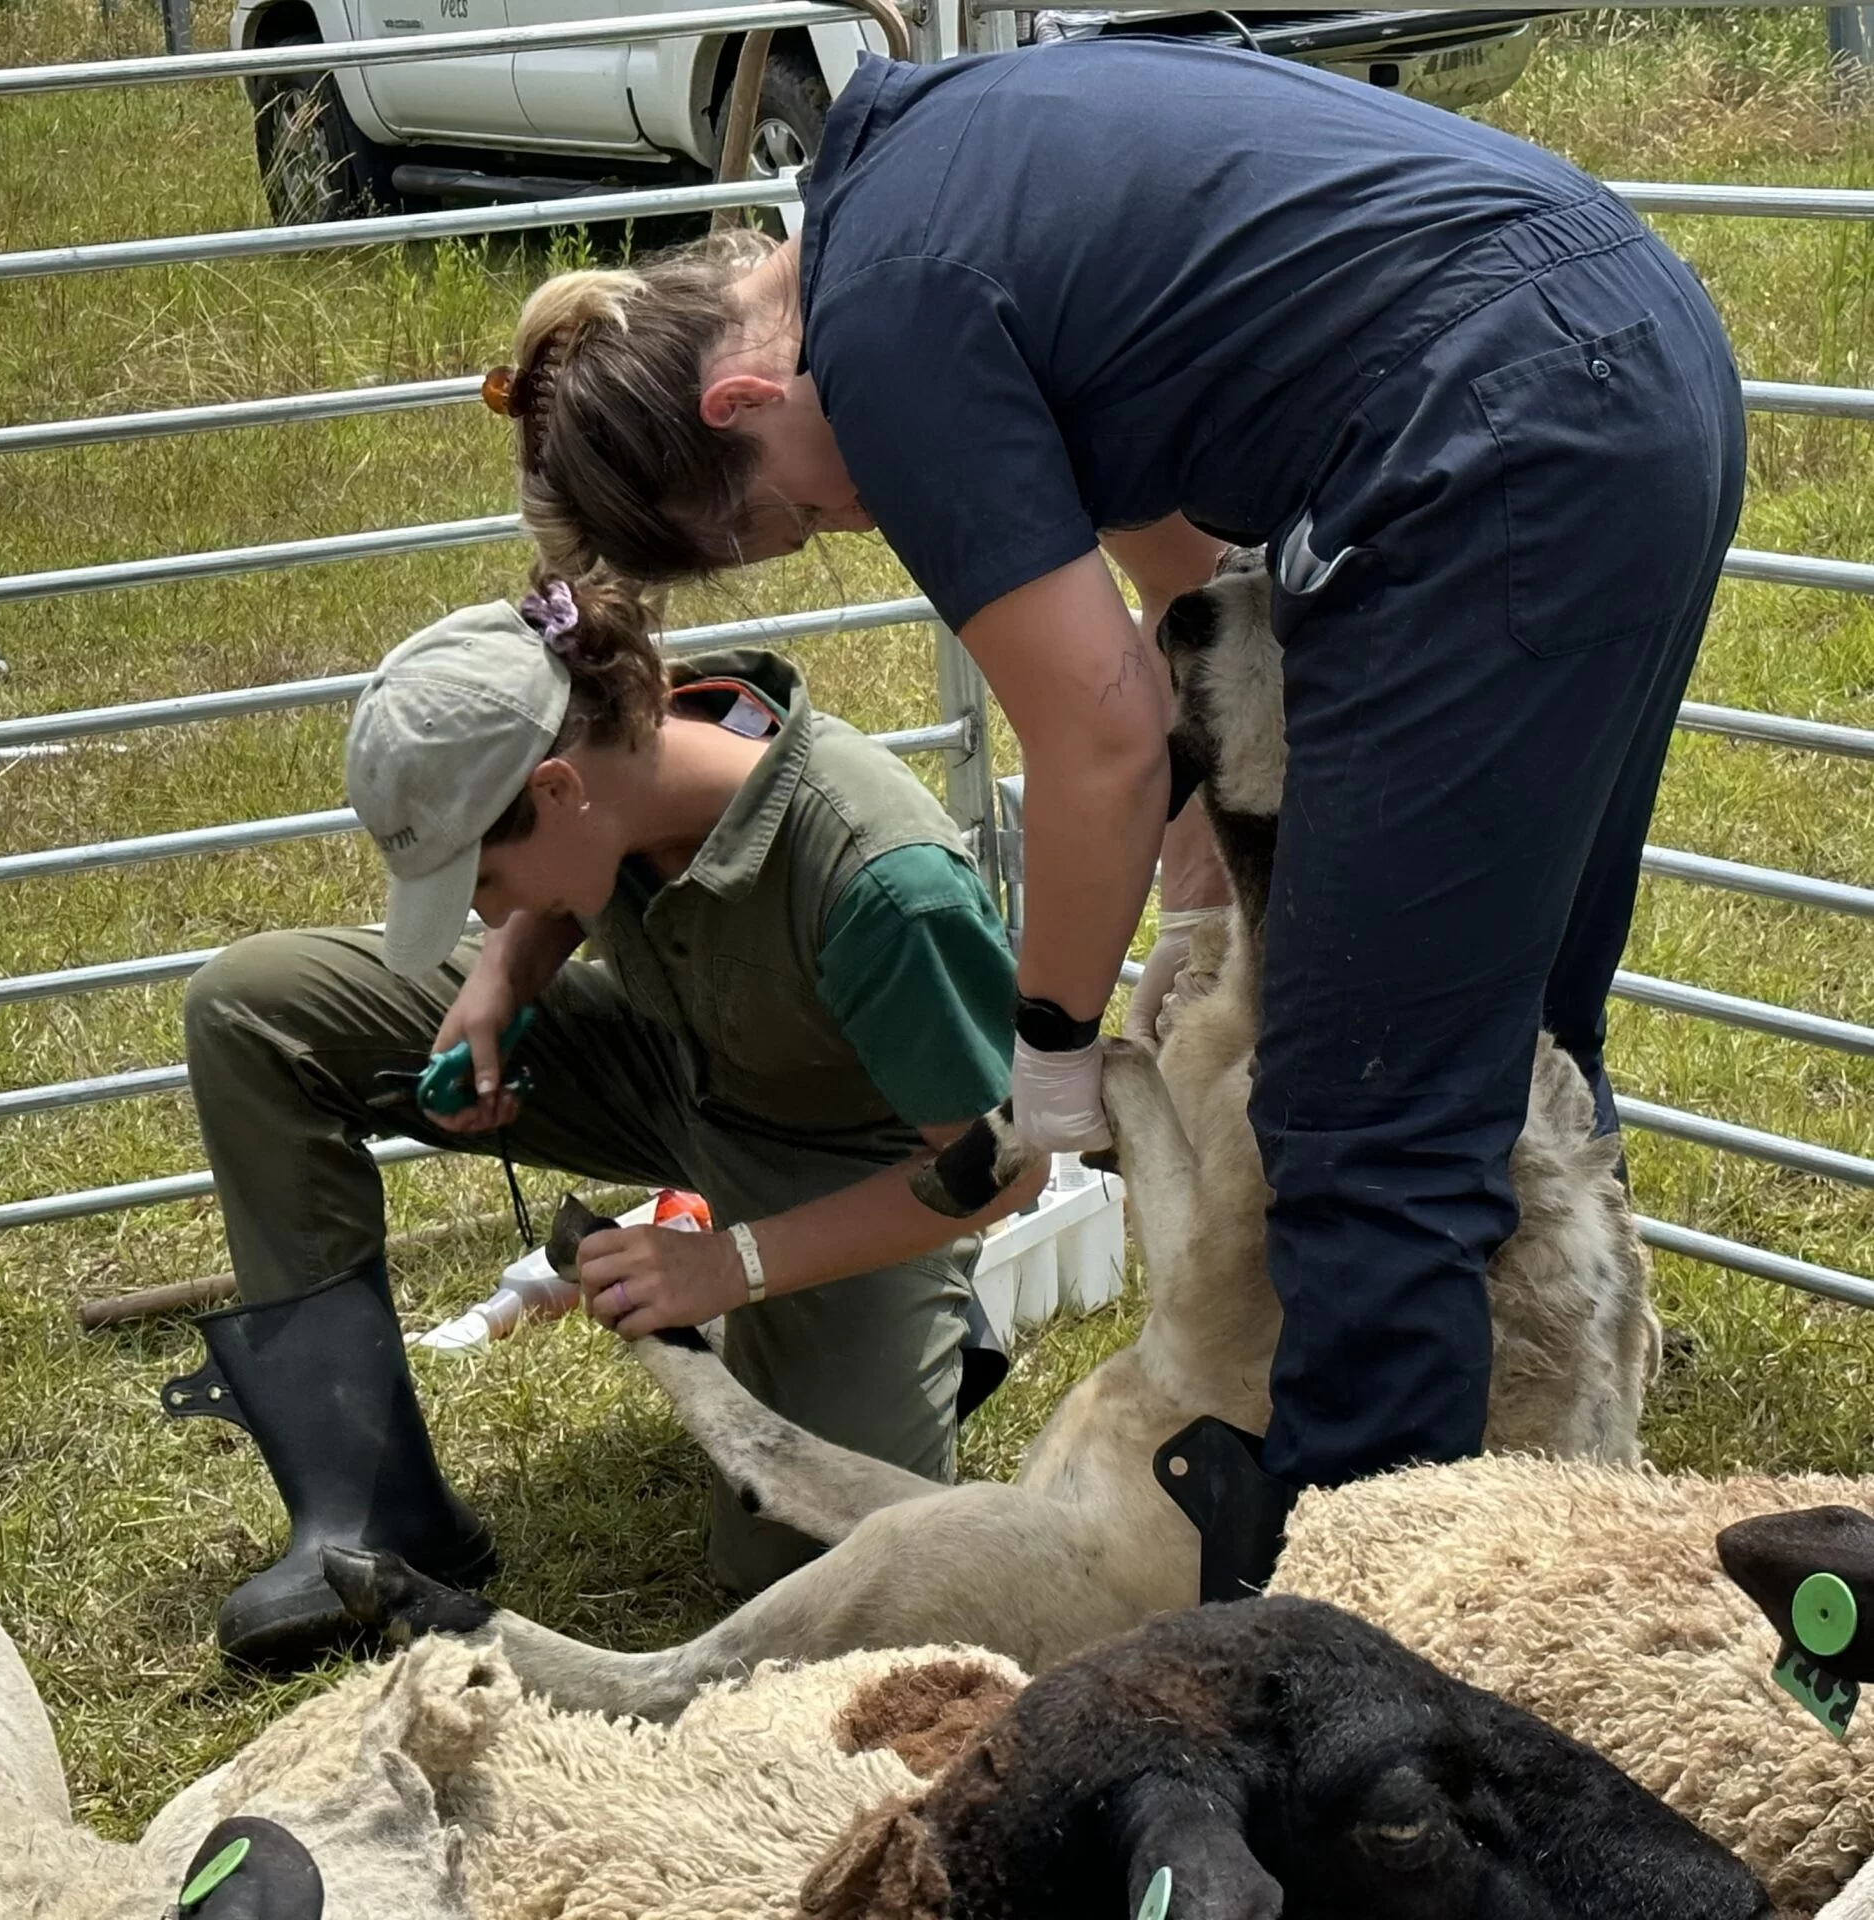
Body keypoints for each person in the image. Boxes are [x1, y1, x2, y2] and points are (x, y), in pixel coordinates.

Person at [482, 36, 1748, 1581]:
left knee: (1361, 1140)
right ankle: (1569, 1503)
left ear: (748, 391)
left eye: (808, 507)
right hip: (1627, 353)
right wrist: (1211, 877)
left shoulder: (884, 339)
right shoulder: (914, 186)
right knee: (1506, 1031)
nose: (859, 513)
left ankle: (1371, 1662)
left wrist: (1057, 1048)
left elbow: (1100, 744)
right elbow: (1182, 580)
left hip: (1495, 435)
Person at [166, 573, 1043, 1668]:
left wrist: (733, 1265)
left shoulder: (882, 886)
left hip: (845, 1160)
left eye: (480, 878)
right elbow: (552, 891)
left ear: (558, 788)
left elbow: (1001, 1170)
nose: (479, 907)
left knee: (808, 1586)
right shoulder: (622, 765)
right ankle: (370, 1508)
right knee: (253, 1009)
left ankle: (926, 1330)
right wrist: (506, 973)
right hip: (669, 1054)